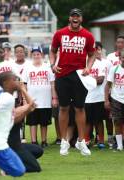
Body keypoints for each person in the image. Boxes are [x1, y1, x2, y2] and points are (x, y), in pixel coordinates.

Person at [49, 8, 96, 156]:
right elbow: (52, 50)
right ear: (69, 18)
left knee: (80, 108)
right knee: (63, 108)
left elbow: (92, 54)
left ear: (81, 19)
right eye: (73, 16)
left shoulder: (88, 35)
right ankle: (64, 141)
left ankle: (81, 141)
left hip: (79, 75)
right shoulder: (60, 33)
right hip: (62, 74)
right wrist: (52, 65)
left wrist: (89, 67)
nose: (75, 18)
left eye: (78, 16)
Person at [22, 46, 58, 147]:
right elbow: (24, 85)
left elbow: (52, 83)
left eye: (38, 54)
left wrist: (54, 98)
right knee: (32, 122)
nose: (36, 56)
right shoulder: (27, 68)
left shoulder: (47, 67)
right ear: (31, 55)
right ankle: (34, 141)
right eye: (34, 54)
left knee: (44, 122)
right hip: (32, 100)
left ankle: (44, 141)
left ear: (41, 55)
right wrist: (25, 99)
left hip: (45, 100)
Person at [84, 41, 107, 149]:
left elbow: (101, 80)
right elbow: (81, 80)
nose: (95, 51)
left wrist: (88, 80)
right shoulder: (84, 63)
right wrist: (92, 79)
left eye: (97, 49)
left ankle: (101, 141)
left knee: (99, 120)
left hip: (98, 97)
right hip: (86, 97)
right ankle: (87, 140)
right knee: (87, 121)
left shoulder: (101, 63)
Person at [12, 44, 32, 143]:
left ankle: (22, 136)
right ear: (14, 53)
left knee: (23, 114)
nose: (19, 53)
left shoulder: (29, 64)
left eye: (21, 51)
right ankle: (13, 136)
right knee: (13, 115)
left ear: (24, 52)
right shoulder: (11, 64)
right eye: (17, 52)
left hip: (26, 93)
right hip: (14, 94)